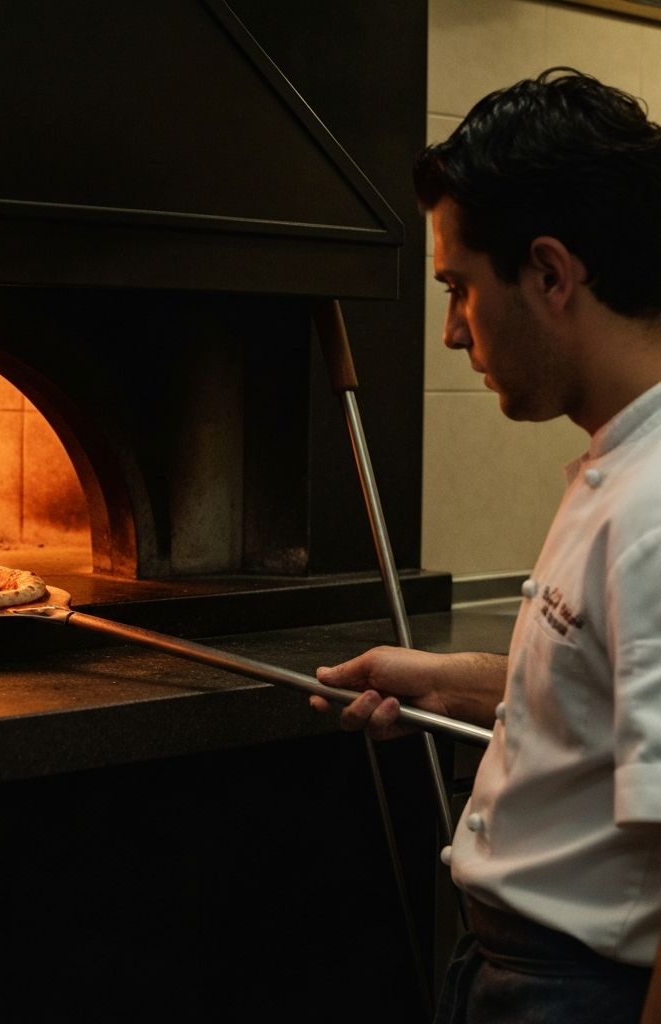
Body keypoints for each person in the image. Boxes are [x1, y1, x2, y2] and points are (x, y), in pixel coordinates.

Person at [310, 68, 661, 1023]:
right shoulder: (620, 459)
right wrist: (448, 679)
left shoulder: (655, 513)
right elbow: (606, 693)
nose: (453, 331)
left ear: (549, 274)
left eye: (459, 288)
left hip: (579, 990)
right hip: (514, 969)